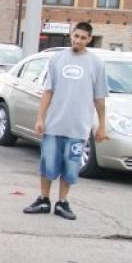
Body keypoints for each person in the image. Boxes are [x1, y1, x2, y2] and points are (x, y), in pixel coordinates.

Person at [23, 22, 108, 220]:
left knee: (70, 167)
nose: (78, 40)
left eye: (83, 37)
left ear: (89, 39)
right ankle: (43, 199)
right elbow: (48, 91)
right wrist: (40, 118)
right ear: (71, 35)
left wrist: (101, 125)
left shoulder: (96, 63)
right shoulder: (57, 59)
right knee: (48, 164)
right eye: (75, 36)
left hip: (78, 127)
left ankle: (62, 202)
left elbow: (100, 98)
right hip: (54, 124)